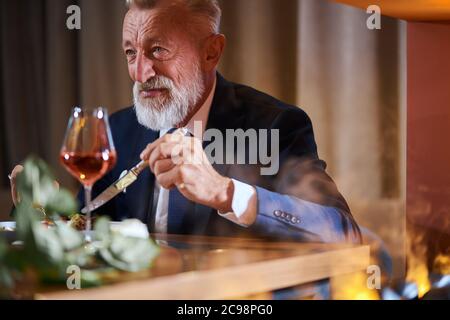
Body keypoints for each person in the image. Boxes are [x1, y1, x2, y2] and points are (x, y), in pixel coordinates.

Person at [9, 0, 361, 243]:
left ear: (211, 52)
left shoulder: (275, 125)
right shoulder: (119, 129)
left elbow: (343, 231)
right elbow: (90, 231)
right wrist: (43, 210)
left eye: (158, 50)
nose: (140, 73)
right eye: (131, 52)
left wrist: (225, 193)